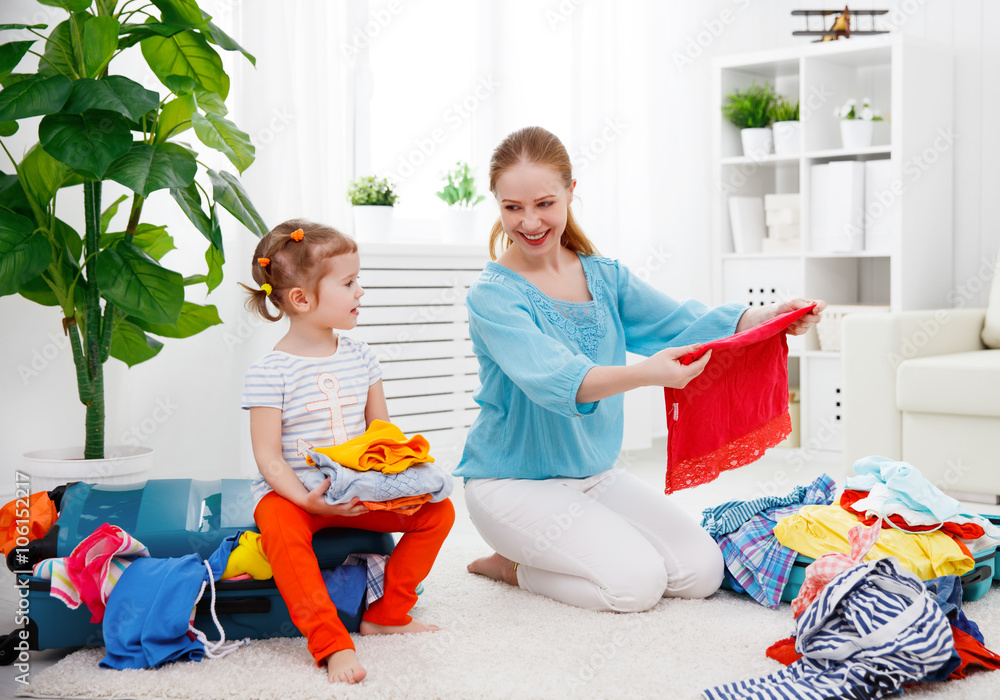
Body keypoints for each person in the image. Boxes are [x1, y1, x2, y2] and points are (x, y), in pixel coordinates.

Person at [455, 126, 825, 612]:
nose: (529, 222)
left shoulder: (604, 276)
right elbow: (558, 381)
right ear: (497, 204)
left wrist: (765, 319)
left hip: (591, 474)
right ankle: (512, 566)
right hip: (510, 484)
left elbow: (680, 324)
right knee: (635, 586)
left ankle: (544, 556)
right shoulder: (493, 295)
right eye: (513, 207)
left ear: (570, 192)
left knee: (702, 571)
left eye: (544, 203)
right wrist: (649, 373)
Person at [240, 219, 455, 684]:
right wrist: (304, 500)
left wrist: (403, 477)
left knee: (439, 512)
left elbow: (382, 432)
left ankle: (388, 612)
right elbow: (269, 458)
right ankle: (331, 642)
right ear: (301, 299)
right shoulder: (269, 372)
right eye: (349, 282)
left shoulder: (362, 357)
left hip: (358, 486)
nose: (361, 291)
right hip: (298, 494)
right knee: (278, 526)